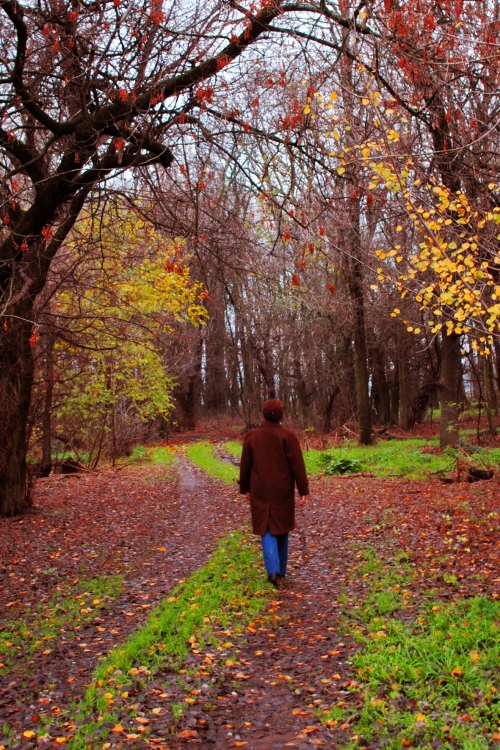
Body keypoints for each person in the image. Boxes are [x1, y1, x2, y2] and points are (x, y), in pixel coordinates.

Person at [239, 399, 309, 587]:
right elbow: (298, 466)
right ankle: (280, 570)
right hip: (282, 489)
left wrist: (245, 489)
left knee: (266, 528)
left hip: (260, 489)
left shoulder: (252, 436)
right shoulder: (288, 436)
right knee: (282, 526)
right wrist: (303, 490)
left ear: (263, 414)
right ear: (281, 415)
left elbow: (245, 466)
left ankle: (273, 571)